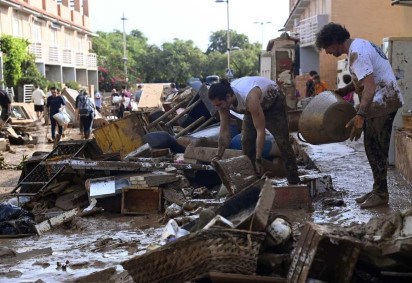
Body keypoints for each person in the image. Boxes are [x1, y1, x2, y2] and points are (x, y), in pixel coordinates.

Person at [315, 22, 404, 208]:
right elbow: (363, 81)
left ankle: (381, 193)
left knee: (375, 149)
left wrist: (360, 116)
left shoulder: (357, 53)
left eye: (327, 47)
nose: (327, 52)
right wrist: (344, 90)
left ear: (335, 41)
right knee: (372, 147)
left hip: (382, 103)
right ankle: (377, 189)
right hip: (383, 101)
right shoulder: (360, 45)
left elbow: (370, 87)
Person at [208, 76, 300, 184]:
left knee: (282, 141)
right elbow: (224, 131)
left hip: (272, 103)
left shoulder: (249, 98)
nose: (218, 108)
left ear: (228, 97)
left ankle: (293, 179)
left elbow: (260, 131)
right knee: (246, 141)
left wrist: (258, 158)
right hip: (252, 108)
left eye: (219, 104)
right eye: (216, 106)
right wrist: (218, 156)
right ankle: (253, 179)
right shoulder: (223, 104)